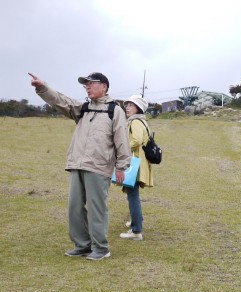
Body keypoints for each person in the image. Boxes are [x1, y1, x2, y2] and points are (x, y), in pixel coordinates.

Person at [29, 72, 131, 261]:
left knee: (96, 208)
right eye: (86, 84)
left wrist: (121, 167)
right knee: (74, 207)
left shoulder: (114, 110)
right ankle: (82, 245)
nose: (87, 87)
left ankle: (101, 248)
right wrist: (42, 87)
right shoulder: (82, 108)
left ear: (104, 86)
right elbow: (61, 100)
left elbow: (122, 141)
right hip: (77, 164)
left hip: (99, 167)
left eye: (91, 83)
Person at [120, 94, 153, 241]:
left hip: (134, 163)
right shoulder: (140, 121)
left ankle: (136, 230)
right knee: (133, 195)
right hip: (139, 162)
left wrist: (121, 147)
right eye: (127, 104)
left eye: (131, 105)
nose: (127, 107)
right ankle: (135, 222)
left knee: (132, 195)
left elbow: (136, 141)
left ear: (138, 108)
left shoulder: (135, 122)